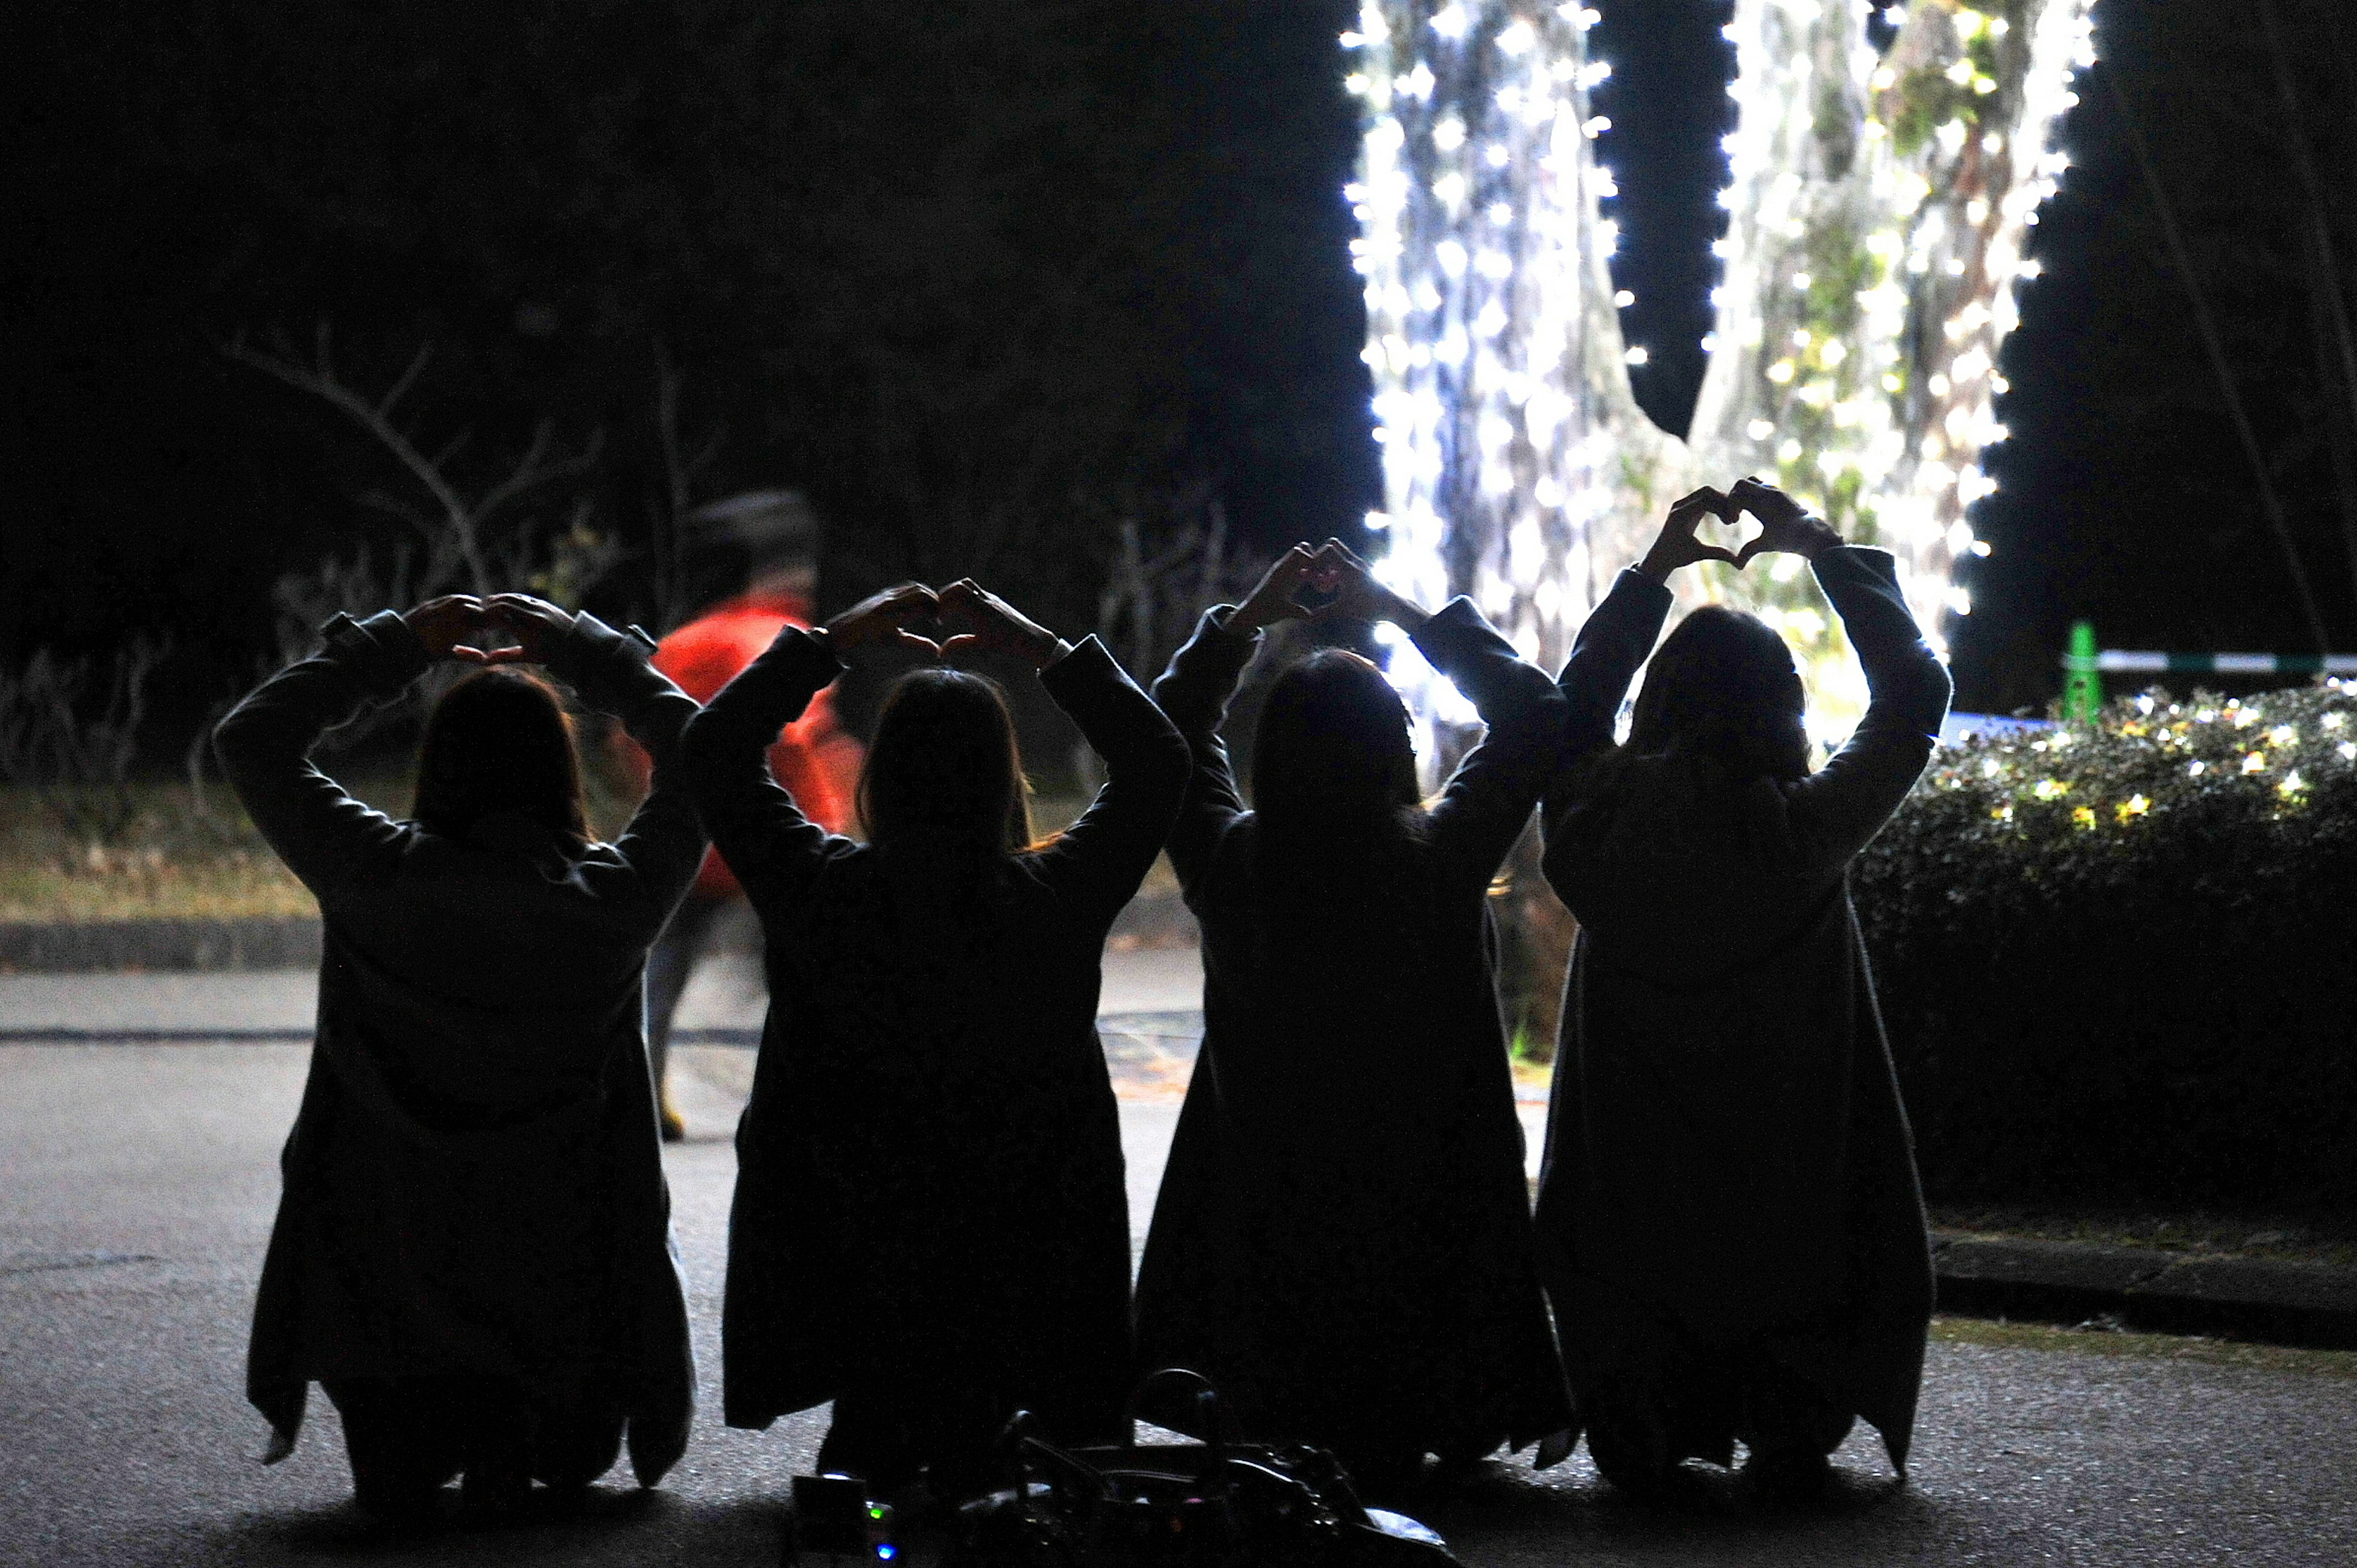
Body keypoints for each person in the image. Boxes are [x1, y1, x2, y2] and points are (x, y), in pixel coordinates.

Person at [682, 578, 1188, 1494]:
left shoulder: (823, 888)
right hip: (1029, 1252)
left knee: (874, 1440)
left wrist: (827, 641)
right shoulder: (1053, 894)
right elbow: (1157, 758)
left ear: (883, 773)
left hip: (860, 1246)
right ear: (1003, 777)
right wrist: (1040, 643)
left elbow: (714, 747)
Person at [215, 593, 703, 1522]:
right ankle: (527, 1426)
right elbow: (700, 749)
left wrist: (395, 646)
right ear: (560, 775)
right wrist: (587, 653)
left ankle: (431, 1428)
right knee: (571, 1451)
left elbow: (254, 737)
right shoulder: (613, 904)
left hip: (387, 1316)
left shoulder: (375, 875)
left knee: (395, 1448)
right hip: (566, 1326)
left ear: (436, 770)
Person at [1534, 479, 1951, 1501]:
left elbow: (1572, 712)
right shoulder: (1801, 832)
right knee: (1792, 1247)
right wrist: (1823, 550)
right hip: (1782, 1167)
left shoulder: (1592, 823)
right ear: (1784, 712)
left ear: (1659, 704)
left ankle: (1641, 1415)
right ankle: (1790, 1418)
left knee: (1637, 1254)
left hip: (1636, 1177)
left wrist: (1656, 571)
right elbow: (1914, 695)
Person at [1131, 541, 1573, 1496]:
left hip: (1270, 1230)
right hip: (1422, 1216)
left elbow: (1171, 724)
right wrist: (1405, 613)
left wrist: (1248, 618)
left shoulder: (1232, 862)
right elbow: (1536, 710)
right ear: (1396, 749)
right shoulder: (1440, 858)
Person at [626, 492, 863, 1140]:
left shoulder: (682, 641)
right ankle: (808, 1091)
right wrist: (829, 821)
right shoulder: (772, 640)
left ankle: (644, 1091)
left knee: (663, 969)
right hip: (770, 844)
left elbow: (628, 737)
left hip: (690, 839)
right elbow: (791, 739)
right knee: (807, 973)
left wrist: (660, 803)